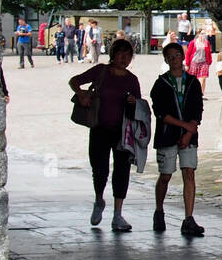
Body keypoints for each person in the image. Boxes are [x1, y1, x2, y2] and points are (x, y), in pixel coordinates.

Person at [70, 39, 142, 232]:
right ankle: (99, 199)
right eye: (120, 54)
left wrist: (133, 101)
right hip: (100, 128)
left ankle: (118, 213)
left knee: (122, 171)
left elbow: (139, 105)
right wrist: (82, 94)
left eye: (127, 55)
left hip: (122, 132)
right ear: (113, 55)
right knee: (100, 169)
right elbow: (74, 80)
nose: (124, 58)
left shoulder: (132, 79)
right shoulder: (101, 71)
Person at [150, 42, 204, 237]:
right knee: (165, 175)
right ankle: (159, 210)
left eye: (177, 55)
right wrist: (184, 127)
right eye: (170, 57)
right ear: (166, 60)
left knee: (189, 173)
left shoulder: (192, 82)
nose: (174, 59)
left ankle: (188, 218)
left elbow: (197, 109)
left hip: (189, 135)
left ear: (182, 57)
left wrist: (190, 131)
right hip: (168, 135)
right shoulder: (161, 83)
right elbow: (161, 112)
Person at [184, 26, 213, 94]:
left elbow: (208, 53)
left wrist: (209, 62)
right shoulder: (193, 42)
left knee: (202, 79)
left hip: (204, 62)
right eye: (201, 33)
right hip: (194, 62)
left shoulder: (206, 43)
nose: (203, 35)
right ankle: (195, 93)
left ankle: (200, 94)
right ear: (198, 34)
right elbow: (188, 53)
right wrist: (187, 64)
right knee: (193, 79)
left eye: (204, 33)